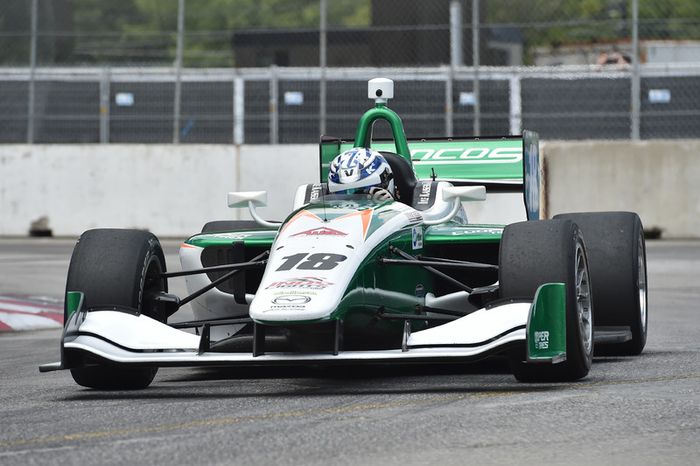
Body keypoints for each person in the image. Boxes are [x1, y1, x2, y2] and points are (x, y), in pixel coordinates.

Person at [328, 148, 395, 201]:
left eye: (362, 193)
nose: (352, 202)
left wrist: (389, 207)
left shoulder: (403, 213)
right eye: (343, 194)